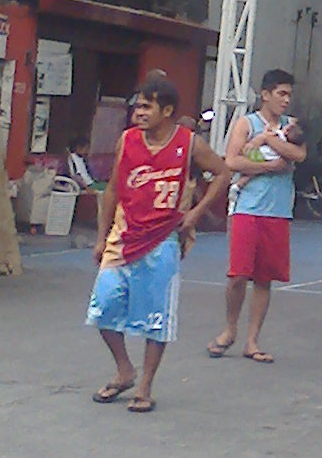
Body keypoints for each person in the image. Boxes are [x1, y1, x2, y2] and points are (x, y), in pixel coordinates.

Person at [88, 74, 230, 412]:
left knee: (156, 319)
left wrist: (195, 214)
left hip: (162, 242)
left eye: (146, 106)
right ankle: (125, 370)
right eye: (137, 106)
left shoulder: (189, 143)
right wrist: (101, 236)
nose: (139, 112)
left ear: (166, 111)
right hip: (122, 239)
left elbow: (223, 173)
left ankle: (145, 386)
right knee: (103, 307)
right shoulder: (127, 141)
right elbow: (112, 191)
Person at [208, 68, 305, 363]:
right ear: (265, 95)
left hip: (278, 211)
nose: (286, 100)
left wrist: (267, 142)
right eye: (281, 94)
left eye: (289, 94)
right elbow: (232, 161)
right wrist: (267, 166)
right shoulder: (245, 124)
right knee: (238, 275)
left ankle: (252, 340)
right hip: (248, 208)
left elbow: (299, 156)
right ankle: (230, 329)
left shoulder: (292, 127)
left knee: (264, 278)